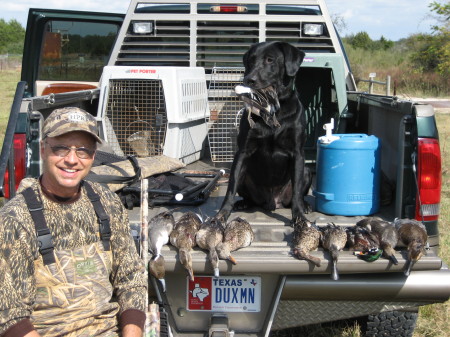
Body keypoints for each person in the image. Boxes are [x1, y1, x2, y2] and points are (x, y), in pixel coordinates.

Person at [0, 107, 147, 337]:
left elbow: (131, 278)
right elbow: (10, 315)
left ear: (93, 157)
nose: (71, 160)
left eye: (83, 151)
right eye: (60, 148)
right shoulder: (15, 219)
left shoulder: (107, 203)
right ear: (43, 149)